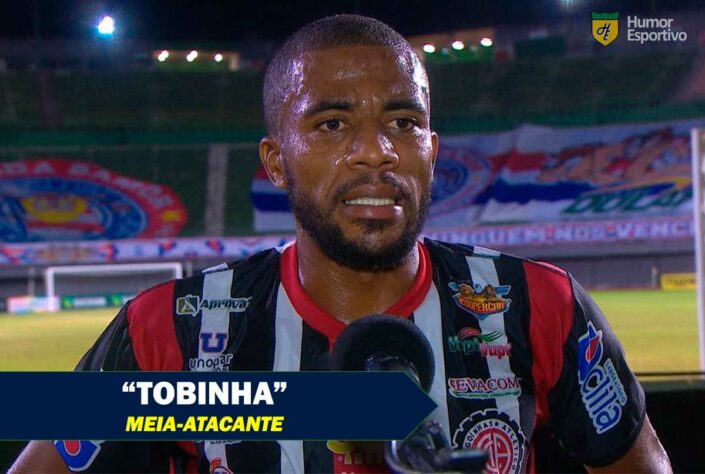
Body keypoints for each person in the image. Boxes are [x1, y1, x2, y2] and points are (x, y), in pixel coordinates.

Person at [10, 14, 671, 474]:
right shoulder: (166, 330)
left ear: (431, 150)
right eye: (331, 123)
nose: (374, 152)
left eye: (402, 122)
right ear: (274, 162)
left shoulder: (537, 303)